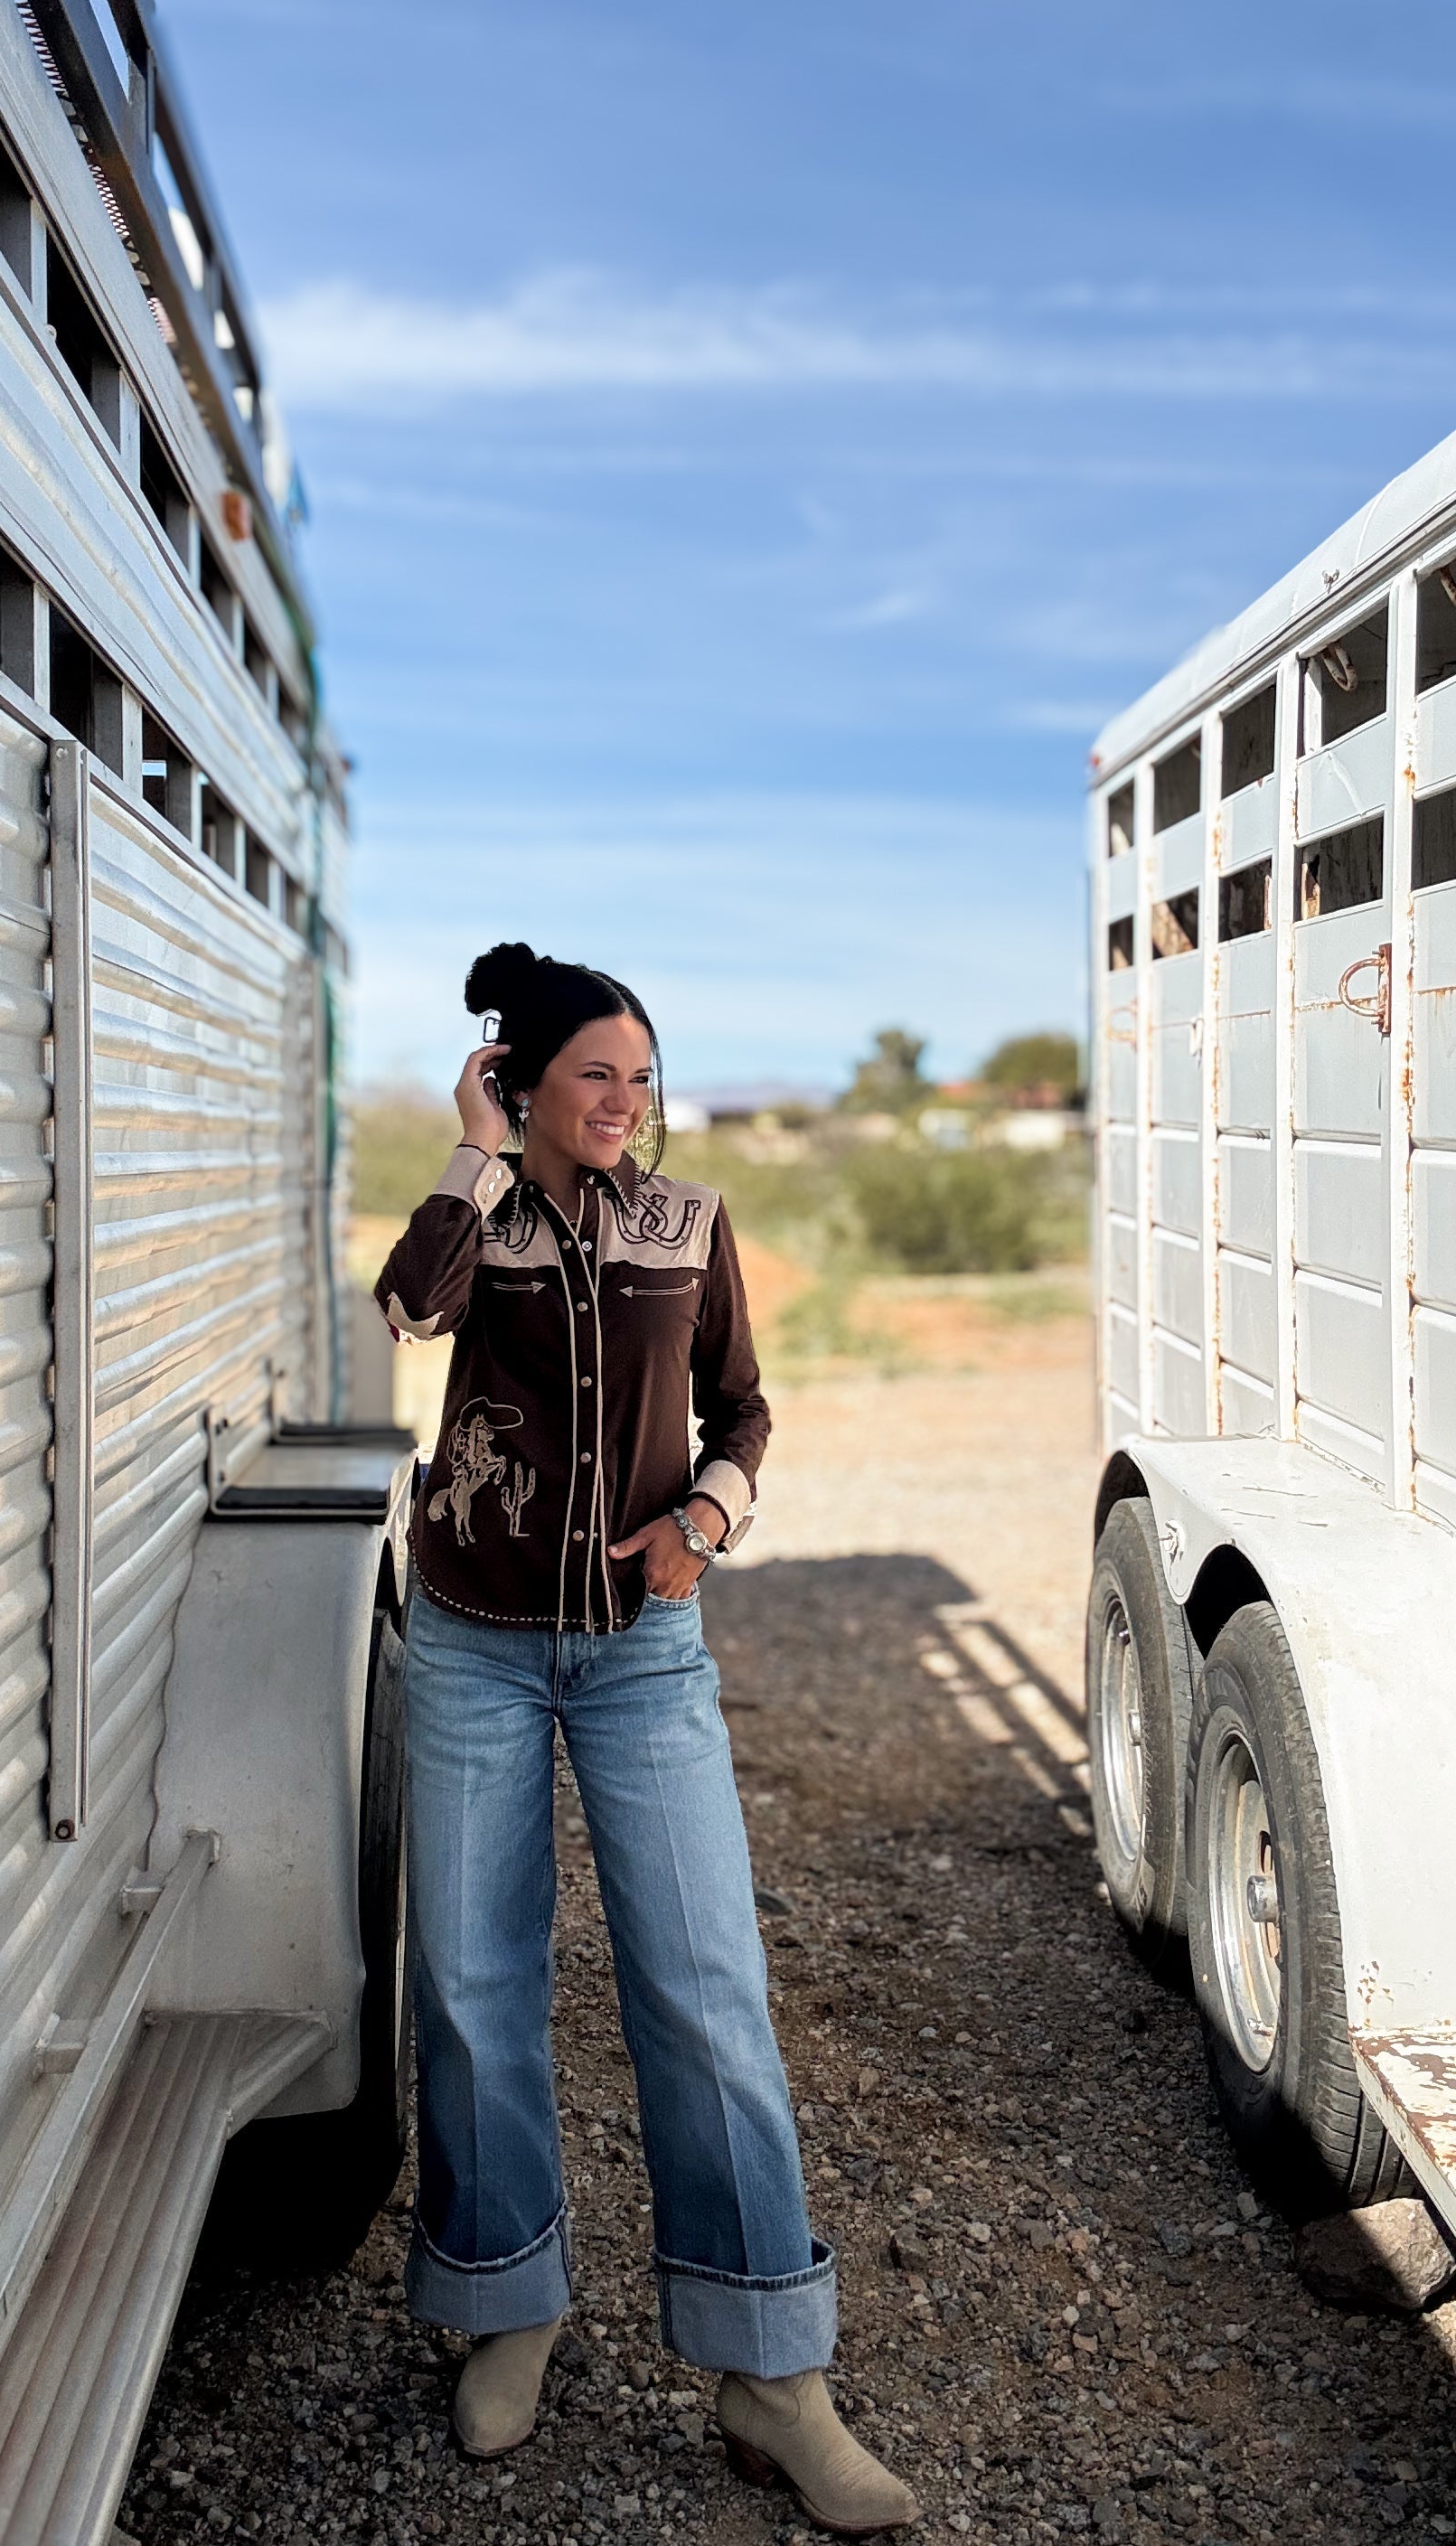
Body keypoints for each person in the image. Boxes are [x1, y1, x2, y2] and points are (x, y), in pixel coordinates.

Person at [374, 943, 917, 2537]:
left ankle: (772, 2372)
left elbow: (743, 1406)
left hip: (643, 1653)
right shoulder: (477, 1218)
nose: (621, 1103)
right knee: (474, 1983)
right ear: (519, 1080)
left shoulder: (691, 1222)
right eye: (589, 1075)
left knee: (703, 1985)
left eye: (638, 1077)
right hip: (473, 1644)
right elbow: (409, 1309)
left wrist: (708, 1516)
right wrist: (474, 1157)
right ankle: (507, 2302)